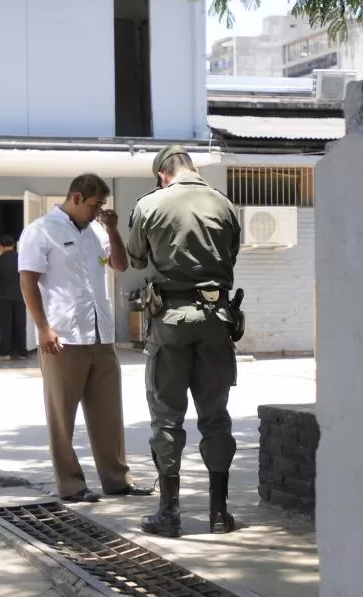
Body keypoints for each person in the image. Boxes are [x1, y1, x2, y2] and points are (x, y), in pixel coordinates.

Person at [126, 145, 242, 537]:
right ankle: (220, 514)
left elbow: (137, 258)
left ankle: (169, 514)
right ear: (192, 168)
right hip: (216, 321)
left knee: (167, 415)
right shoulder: (224, 205)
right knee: (216, 416)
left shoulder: (150, 205)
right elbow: (232, 255)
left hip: (170, 322)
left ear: (162, 174)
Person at [18, 173, 152, 503]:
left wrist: (112, 228)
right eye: (95, 205)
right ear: (76, 198)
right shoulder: (41, 231)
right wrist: (43, 328)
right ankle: (72, 485)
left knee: (109, 413)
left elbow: (120, 265)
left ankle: (117, 479)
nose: (98, 212)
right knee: (62, 418)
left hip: (101, 335)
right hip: (62, 337)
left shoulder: (96, 231)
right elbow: (28, 281)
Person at [0, 234, 27, 361]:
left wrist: (1, 281)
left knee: (6, 325)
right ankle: (22, 352)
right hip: (21, 295)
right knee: (20, 323)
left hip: (5, 296)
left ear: (0, 245)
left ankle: (5, 352)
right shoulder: (21, 257)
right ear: (14, 245)